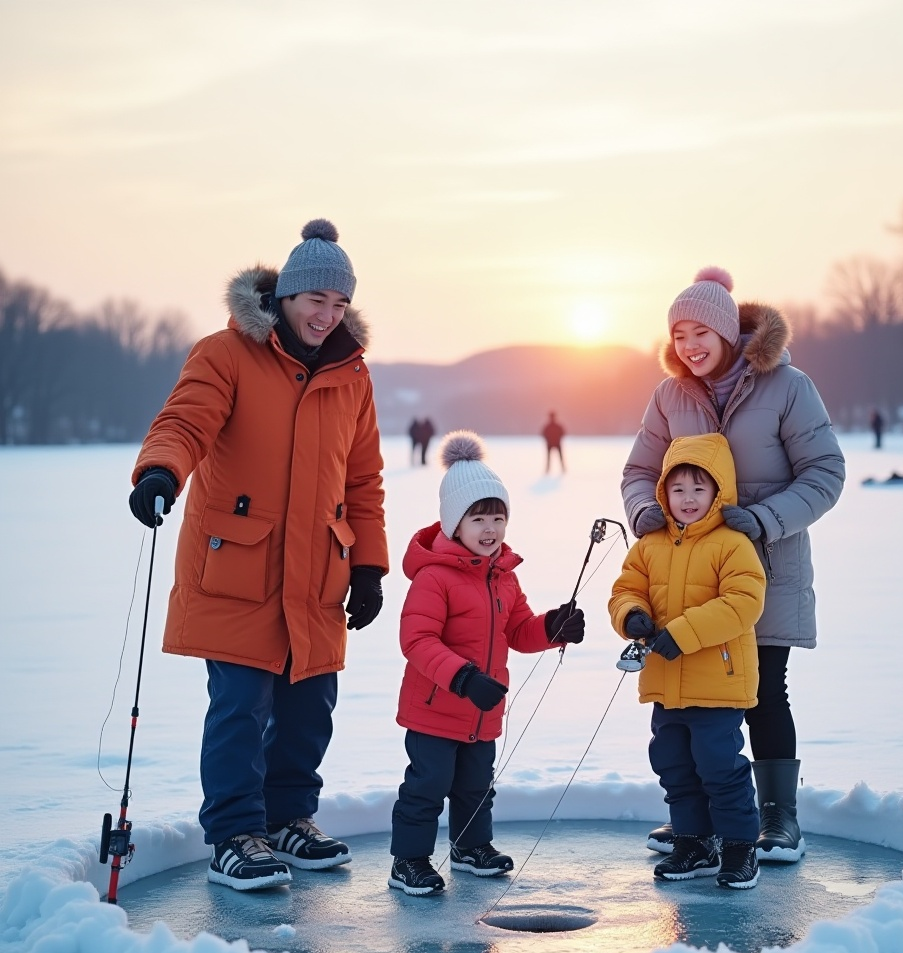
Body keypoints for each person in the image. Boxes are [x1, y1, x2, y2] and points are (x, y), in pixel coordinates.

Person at [128, 219, 389, 892]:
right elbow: (185, 421)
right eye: (315, 302)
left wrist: (369, 565)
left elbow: (362, 479)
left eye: (339, 305)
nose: (327, 315)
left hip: (318, 572)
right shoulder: (227, 353)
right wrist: (160, 471)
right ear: (286, 298)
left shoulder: (352, 377)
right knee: (241, 706)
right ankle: (235, 834)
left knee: (310, 705)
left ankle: (290, 819)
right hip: (240, 566)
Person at [621, 267, 845, 863]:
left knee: (764, 690)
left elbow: (826, 473)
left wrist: (766, 519)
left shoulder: (788, 386)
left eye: (700, 332)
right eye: (679, 334)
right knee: (692, 701)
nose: (689, 346)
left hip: (766, 570)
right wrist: (644, 509)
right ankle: (704, 820)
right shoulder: (670, 396)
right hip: (687, 578)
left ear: (727, 331)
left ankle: (777, 817)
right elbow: (639, 472)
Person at [389, 430, 585, 895]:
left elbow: (518, 631)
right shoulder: (434, 578)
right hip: (437, 709)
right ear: (454, 524)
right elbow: (416, 640)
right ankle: (409, 860)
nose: (490, 529)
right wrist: (462, 677)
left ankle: (470, 847)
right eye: (478, 518)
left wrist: (553, 627)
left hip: (483, 711)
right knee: (427, 786)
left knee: (477, 786)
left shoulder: (504, 577)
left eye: (498, 517)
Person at [610, 433, 767, 889]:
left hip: (717, 682)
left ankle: (739, 847)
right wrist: (632, 617)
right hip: (666, 682)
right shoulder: (649, 544)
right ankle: (694, 842)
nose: (688, 499)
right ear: (663, 493)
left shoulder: (732, 543)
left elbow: (743, 602)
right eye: (678, 489)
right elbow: (626, 590)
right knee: (674, 763)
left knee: (720, 767)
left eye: (700, 489)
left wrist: (682, 632)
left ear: (719, 492)